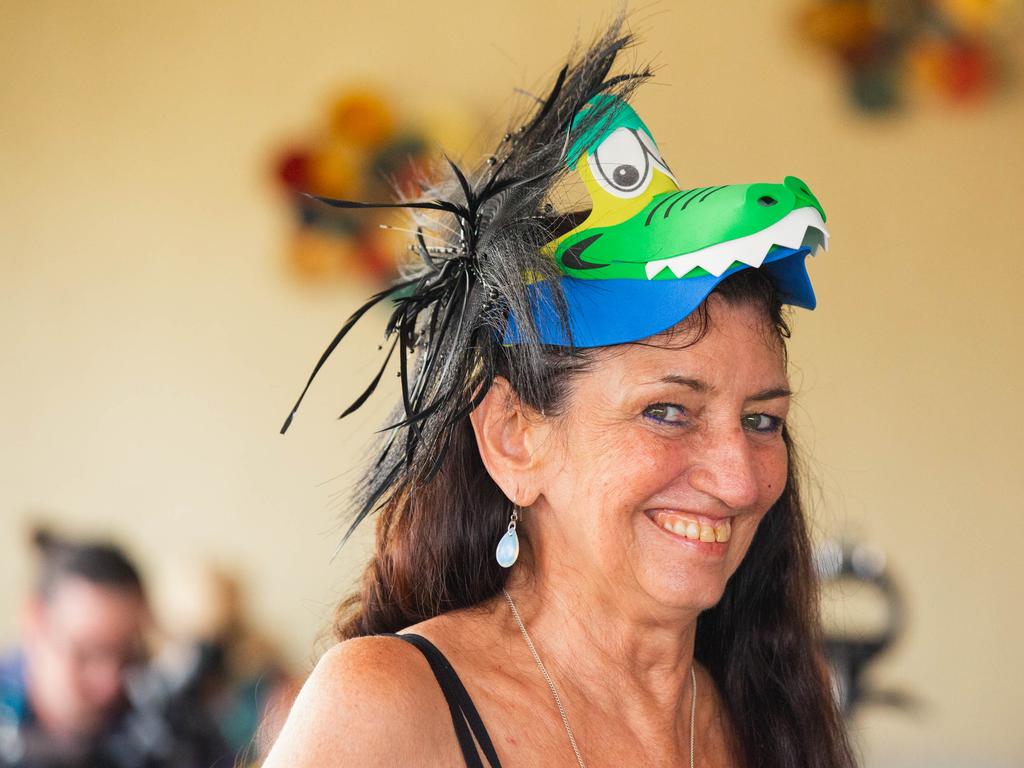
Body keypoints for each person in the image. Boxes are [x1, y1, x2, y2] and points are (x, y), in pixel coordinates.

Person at [265, 18, 857, 768]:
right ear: (515, 436)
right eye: (668, 411)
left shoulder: (764, 716)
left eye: (763, 420)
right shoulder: (391, 708)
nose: (740, 479)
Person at [0, 529, 231, 768]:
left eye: (128, 656)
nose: (109, 683)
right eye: (87, 653)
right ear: (34, 620)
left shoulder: (171, 728)